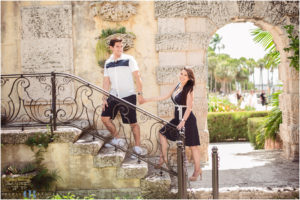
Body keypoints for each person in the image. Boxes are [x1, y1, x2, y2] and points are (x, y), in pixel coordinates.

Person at [141, 67, 201, 181]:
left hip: (187, 119)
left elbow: (189, 108)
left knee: (193, 146)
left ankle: (197, 171)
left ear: (189, 78)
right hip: (177, 118)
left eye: (185, 75)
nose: (182, 76)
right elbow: (164, 96)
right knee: (162, 133)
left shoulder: (189, 89)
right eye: (181, 74)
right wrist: (147, 100)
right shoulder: (178, 85)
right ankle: (163, 157)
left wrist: (183, 121)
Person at [101, 37, 146, 158]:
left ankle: (137, 147)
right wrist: (104, 98)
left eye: (121, 46)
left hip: (128, 95)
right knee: (104, 118)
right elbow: (106, 82)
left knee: (133, 123)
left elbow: (138, 77)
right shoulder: (108, 62)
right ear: (111, 47)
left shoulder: (129, 59)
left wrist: (140, 94)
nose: (120, 48)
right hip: (114, 95)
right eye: (117, 46)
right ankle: (118, 139)